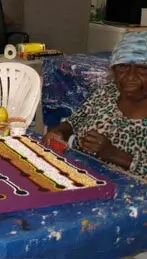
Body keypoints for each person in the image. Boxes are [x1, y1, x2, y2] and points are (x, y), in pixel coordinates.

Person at [44, 31, 147, 178]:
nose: (130, 77)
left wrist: (112, 154)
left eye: (142, 69)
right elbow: (74, 122)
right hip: (80, 176)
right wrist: (58, 132)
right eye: (122, 67)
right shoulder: (108, 92)